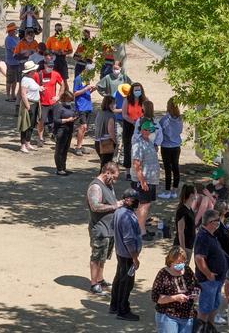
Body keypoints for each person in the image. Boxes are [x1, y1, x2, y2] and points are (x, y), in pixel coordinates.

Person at [87, 162, 121, 295]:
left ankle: (100, 280)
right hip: (100, 229)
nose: (115, 180)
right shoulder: (95, 187)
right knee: (96, 257)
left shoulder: (108, 185)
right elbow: (95, 206)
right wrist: (114, 206)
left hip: (109, 229)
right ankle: (94, 284)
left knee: (103, 257)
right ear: (107, 172)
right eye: (115, 177)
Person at [194, 209, 229, 332]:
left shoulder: (210, 236)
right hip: (208, 282)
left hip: (216, 281)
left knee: (213, 307)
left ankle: (210, 330)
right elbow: (199, 258)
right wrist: (209, 274)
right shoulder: (203, 236)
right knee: (204, 310)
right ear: (210, 222)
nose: (219, 223)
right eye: (217, 221)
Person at [110, 188, 142, 321]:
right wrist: (135, 258)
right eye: (134, 200)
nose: (137, 203)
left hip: (120, 253)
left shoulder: (118, 212)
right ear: (128, 200)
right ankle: (123, 310)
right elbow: (129, 239)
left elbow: (112, 226)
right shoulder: (127, 216)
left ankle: (114, 305)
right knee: (127, 282)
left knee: (119, 278)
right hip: (128, 255)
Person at [151, 247, 199, 333]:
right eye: (178, 263)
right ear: (170, 262)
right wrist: (175, 298)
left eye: (183, 262)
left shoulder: (187, 270)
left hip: (187, 316)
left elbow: (197, 285)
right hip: (168, 316)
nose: (181, 265)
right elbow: (156, 297)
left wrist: (196, 294)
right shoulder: (163, 274)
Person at [130, 119, 159, 240]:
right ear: (143, 131)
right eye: (150, 130)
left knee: (146, 205)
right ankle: (141, 232)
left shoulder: (149, 142)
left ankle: (141, 228)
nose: (153, 132)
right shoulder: (138, 144)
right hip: (143, 181)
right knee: (143, 205)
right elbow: (136, 164)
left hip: (151, 180)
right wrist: (142, 181)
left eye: (153, 130)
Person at [32, 60, 64, 146]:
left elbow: (62, 84)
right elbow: (31, 86)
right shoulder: (37, 75)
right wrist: (38, 88)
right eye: (49, 66)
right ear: (45, 65)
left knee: (56, 120)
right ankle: (40, 138)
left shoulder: (56, 74)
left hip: (53, 102)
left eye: (52, 66)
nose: (51, 68)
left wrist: (58, 96)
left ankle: (55, 135)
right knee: (41, 121)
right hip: (42, 102)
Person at [159, 98, 183, 199]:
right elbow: (180, 131)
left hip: (166, 146)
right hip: (176, 146)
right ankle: (175, 190)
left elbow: (160, 131)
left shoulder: (164, 119)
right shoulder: (180, 119)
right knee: (175, 167)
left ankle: (167, 191)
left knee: (168, 169)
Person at [18, 61, 42, 153]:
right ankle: (23, 145)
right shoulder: (25, 79)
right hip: (29, 104)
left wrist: (40, 88)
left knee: (31, 125)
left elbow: (34, 88)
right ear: (31, 71)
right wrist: (28, 106)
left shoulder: (31, 79)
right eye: (34, 70)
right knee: (25, 125)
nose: (35, 71)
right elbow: (23, 94)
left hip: (35, 103)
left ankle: (28, 142)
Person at [72, 64, 96, 156]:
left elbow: (86, 92)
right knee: (83, 126)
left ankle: (80, 145)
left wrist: (92, 90)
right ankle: (78, 147)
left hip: (88, 106)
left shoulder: (87, 79)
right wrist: (85, 88)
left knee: (85, 128)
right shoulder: (78, 79)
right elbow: (75, 93)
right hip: (81, 106)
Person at [121, 82, 146, 169]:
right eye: (135, 90)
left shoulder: (144, 100)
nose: (137, 91)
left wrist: (141, 122)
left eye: (139, 90)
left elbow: (147, 113)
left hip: (141, 126)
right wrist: (133, 122)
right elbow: (124, 114)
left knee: (141, 147)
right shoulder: (127, 100)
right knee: (128, 147)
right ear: (132, 91)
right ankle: (128, 170)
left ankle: (139, 169)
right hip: (129, 125)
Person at [52, 90, 76, 176]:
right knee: (60, 150)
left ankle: (63, 167)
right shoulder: (58, 107)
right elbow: (56, 120)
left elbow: (73, 113)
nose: (70, 102)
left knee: (66, 149)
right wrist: (67, 120)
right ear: (64, 98)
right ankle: (59, 169)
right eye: (69, 100)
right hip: (61, 130)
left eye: (71, 100)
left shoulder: (71, 106)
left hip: (69, 130)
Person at [173, 184, 197, 261]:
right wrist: (182, 250)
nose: (197, 194)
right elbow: (181, 232)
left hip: (189, 245)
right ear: (191, 195)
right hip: (182, 246)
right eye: (195, 192)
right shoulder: (182, 211)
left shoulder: (190, 209)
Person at [94, 95, 117, 166]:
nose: (115, 105)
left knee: (103, 164)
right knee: (106, 165)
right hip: (106, 142)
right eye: (114, 103)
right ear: (109, 104)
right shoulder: (110, 115)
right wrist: (115, 141)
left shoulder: (100, 113)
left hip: (97, 141)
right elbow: (110, 131)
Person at [112, 83, 130, 163]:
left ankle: (122, 157)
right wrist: (123, 110)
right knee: (117, 139)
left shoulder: (132, 96)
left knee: (125, 140)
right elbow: (113, 109)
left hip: (128, 121)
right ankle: (114, 157)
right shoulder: (115, 95)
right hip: (118, 120)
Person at [4, 23, 21, 102]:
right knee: (9, 80)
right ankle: (8, 95)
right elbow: (13, 50)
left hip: (17, 62)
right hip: (11, 62)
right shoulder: (8, 39)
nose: (13, 32)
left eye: (14, 30)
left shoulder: (17, 38)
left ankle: (13, 94)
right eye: (11, 30)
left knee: (15, 80)